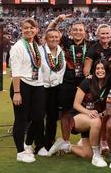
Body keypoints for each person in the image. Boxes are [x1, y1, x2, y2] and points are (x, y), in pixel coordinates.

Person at [48, 59, 111, 167]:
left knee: (87, 154)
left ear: (107, 70)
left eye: (103, 68)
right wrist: (88, 112)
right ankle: (97, 156)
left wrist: (101, 114)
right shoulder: (87, 81)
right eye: (97, 68)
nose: (100, 71)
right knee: (96, 121)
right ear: (94, 70)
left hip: (94, 119)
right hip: (77, 116)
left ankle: (64, 146)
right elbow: (76, 104)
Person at [48, 15, 91, 150]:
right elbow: (49, 33)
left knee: (86, 112)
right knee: (65, 113)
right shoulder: (65, 42)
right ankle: (66, 141)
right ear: (70, 32)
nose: (78, 32)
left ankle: (85, 141)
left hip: (84, 85)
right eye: (75, 30)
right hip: (66, 83)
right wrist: (57, 20)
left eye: (81, 30)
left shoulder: (91, 45)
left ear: (85, 32)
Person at [9, 18, 46, 163]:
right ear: (21, 29)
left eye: (32, 28)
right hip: (22, 85)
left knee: (38, 117)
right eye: (26, 28)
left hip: (38, 85)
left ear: (36, 29)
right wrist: (17, 92)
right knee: (21, 120)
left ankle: (28, 144)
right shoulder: (18, 46)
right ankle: (20, 152)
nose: (29, 30)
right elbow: (15, 72)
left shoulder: (36, 45)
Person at [37, 29, 66, 157]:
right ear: (46, 39)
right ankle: (39, 145)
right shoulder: (41, 51)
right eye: (51, 37)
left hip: (56, 88)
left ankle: (49, 143)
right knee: (38, 117)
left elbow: (60, 71)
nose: (54, 39)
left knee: (52, 118)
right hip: (42, 88)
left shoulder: (61, 52)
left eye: (56, 37)